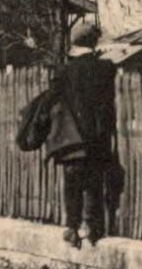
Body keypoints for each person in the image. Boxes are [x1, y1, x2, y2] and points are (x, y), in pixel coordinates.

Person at [43, 19, 120, 247]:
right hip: (97, 137)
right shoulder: (105, 69)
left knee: (72, 182)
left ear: (74, 43)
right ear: (94, 42)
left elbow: (53, 102)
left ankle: (71, 227)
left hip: (71, 138)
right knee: (94, 182)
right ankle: (92, 228)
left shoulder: (63, 72)